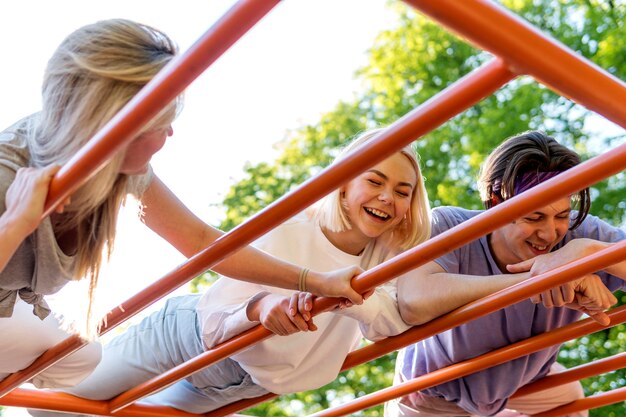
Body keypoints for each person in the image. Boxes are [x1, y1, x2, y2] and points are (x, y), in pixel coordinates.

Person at [0, 18, 366, 389]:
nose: (171, 133)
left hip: (11, 307)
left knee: (78, 359)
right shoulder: (8, 175)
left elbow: (201, 240)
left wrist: (316, 280)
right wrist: (15, 225)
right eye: (162, 124)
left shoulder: (116, 166)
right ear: (116, 127)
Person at [28, 128, 432, 415]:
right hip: (190, 338)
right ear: (343, 187)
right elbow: (220, 319)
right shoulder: (291, 230)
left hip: (240, 384)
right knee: (53, 406)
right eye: (374, 180)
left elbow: (393, 322)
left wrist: (353, 296)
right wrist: (260, 308)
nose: (387, 197)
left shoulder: (392, 257)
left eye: (402, 191)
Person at [387, 131, 625, 417]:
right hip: (435, 394)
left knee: (571, 401)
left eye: (561, 215)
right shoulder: (450, 224)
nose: (550, 233)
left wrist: (586, 252)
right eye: (534, 217)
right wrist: (544, 277)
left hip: (521, 383)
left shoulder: (581, 234)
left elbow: (583, 245)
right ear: (496, 204)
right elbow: (414, 302)